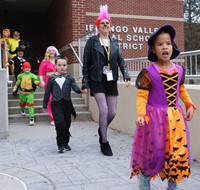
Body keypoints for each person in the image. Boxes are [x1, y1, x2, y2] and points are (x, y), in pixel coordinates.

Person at [130, 25, 196, 190]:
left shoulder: (179, 70)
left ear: (172, 47)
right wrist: (140, 113)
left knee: (175, 153)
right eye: (160, 44)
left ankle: (172, 185)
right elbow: (142, 95)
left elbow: (181, 90)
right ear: (153, 49)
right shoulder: (149, 72)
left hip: (175, 120)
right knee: (152, 153)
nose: (164, 46)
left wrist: (189, 104)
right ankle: (145, 181)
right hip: (153, 120)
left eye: (168, 43)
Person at [81, 4, 131, 156]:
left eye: (107, 22)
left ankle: (102, 128)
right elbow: (86, 61)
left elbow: (121, 61)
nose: (104, 24)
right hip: (96, 79)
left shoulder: (114, 43)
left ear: (110, 25)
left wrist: (126, 75)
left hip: (111, 79)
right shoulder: (92, 42)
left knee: (113, 112)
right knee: (104, 110)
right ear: (98, 25)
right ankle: (104, 141)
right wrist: (85, 81)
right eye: (102, 22)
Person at [43, 55, 87, 153]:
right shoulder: (52, 78)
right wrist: (45, 104)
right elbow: (47, 92)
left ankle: (66, 142)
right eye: (59, 65)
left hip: (67, 103)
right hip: (56, 104)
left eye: (64, 65)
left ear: (67, 66)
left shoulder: (69, 78)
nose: (62, 67)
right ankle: (60, 143)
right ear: (56, 66)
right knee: (60, 123)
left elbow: (75, 88)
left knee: (67, 123)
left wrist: (81, 91)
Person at [39, 46, 60, 126]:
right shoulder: (44, 62)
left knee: (58, 98)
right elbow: (41, 73)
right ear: (47, 52)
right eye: (49, 50)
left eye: (53, 50)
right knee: (51, 99)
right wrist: (41, 81)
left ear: (55, 52)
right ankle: (53, 118)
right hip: (48, 81)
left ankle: (59, 116)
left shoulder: (59, 60)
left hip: (58, 80)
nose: (51, 52)